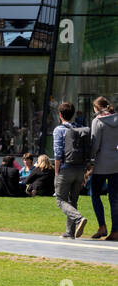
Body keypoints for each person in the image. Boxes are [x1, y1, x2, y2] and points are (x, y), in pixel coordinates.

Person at [53, 101, 89, 239]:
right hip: (79, 169)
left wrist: (56, 173)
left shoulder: (59, 130)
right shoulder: (79, 128)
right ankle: (70, 232)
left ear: (60, 115)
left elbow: (58, 153)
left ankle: (79, 219)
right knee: (72, 200)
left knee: (60, 199)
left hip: (65, 169)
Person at [89, 96, 118, 239]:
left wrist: (89, 159)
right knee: (114, 198)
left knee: (94, 194)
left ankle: (102, 226)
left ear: (97, 108)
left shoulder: (97, 121)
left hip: (101, 164)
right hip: (116, 163)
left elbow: (95, 144)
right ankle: (116, 230)